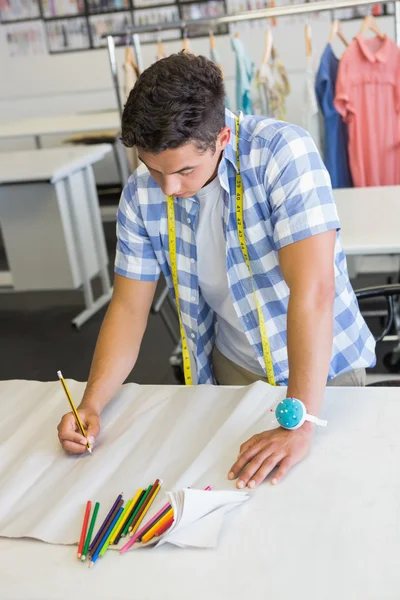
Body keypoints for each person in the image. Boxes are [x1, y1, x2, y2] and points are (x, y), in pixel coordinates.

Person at [57, 52, 376, 489]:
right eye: (154, 170)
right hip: (233, 368)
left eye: (184, 170)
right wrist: (91, 403)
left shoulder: (283, 153)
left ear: (223, 136)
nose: (168, 188)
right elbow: (130, 309)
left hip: (323, 371)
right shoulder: (141, 191)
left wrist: (300, 419)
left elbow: (314, 291)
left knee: (329, 498)